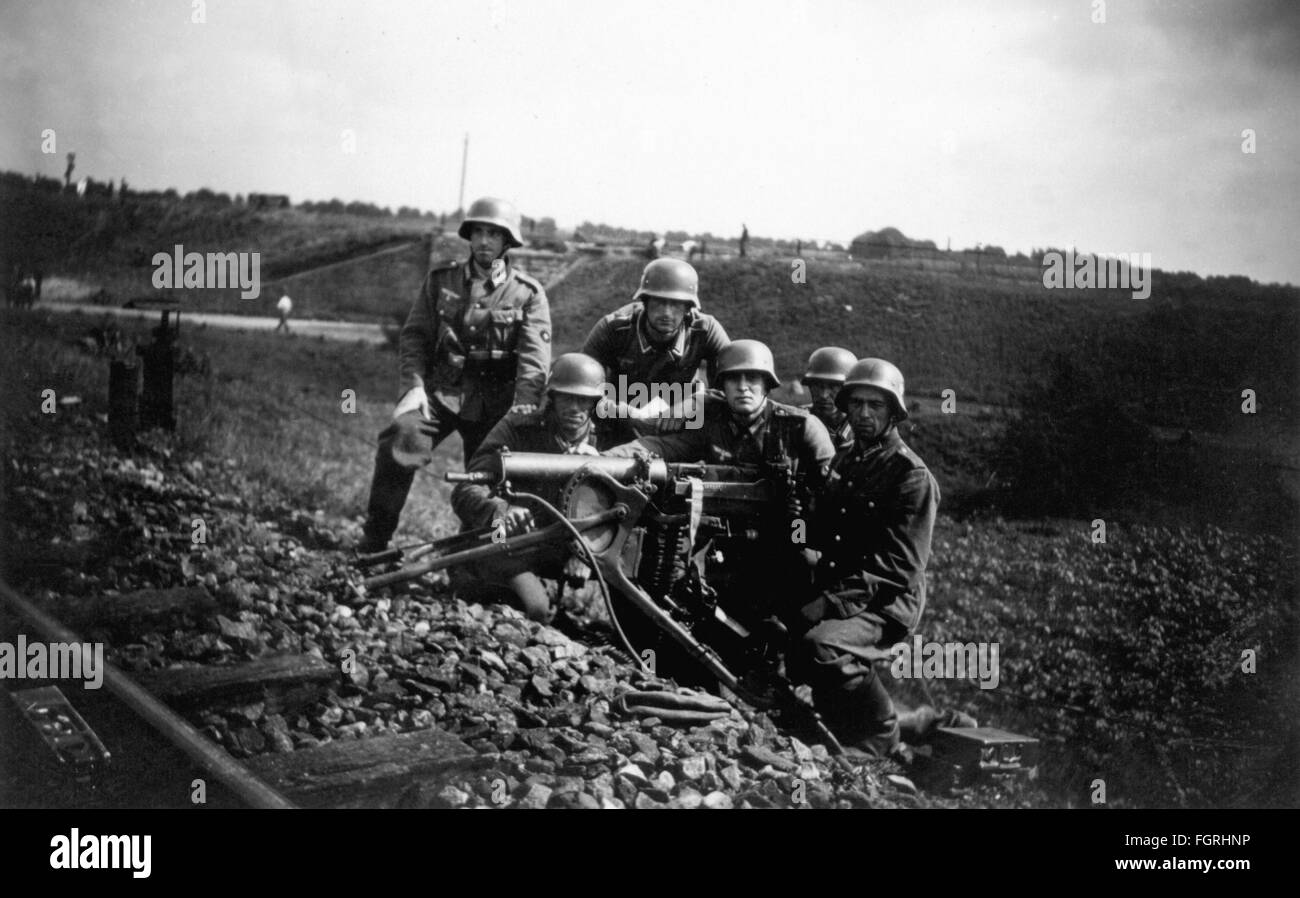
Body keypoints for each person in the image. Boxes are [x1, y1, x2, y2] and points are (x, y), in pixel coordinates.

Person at [358, 196, 552, 553]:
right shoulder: (441, 281)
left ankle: (471, 557)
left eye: (494, 234)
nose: (483, 242)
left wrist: (522, 412)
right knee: (401, 437)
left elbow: (534, 364)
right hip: (442, 391)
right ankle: (376, 540)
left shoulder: (527, 294)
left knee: (493, 478)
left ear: (508, 241)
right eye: (478, 232)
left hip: (496, 404)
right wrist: (413, 387)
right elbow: (415, 336)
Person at [789, 358, 940, 762]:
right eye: (856, 404)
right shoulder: (847, 460)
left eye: (876, 405)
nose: (865, 414)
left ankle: (881, 733)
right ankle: (872, 721)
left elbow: (900, 567)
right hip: (842, 584)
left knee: (825, 646)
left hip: (887, 600)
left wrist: (830, 603)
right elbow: (822, 529)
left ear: (894, 412)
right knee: (774, 625)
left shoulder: (911, 476)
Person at [605, 340, 834, 607]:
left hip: (791, 527)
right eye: (734, 379)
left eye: (753, 379)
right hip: (728, 536)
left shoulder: (800, 427)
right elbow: (663, 446)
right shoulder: (713, 421)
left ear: (767, 384)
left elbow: (833, 488)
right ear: (722, 386)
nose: (743, 387)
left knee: (802, 558)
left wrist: (804, 516)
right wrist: (605, 458)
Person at [450, 353, 634, 621]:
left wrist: (586, 549)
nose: (575, 407)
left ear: (596, 403)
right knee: (536, 610)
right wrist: (500, 510)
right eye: (567, 398)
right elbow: (466, 489)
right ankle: (475, 578)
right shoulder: (517, 428)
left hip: (563, 545)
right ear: (552, 396)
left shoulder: (609, 439)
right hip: (505, 542)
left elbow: (627, 507)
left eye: (584, 399)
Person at [581, 257, 729, 430]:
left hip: (680, 421)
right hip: (619, 421)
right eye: (658, 303)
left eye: (675, 305)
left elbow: (734, 386)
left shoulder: (705, 330)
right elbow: (582, 386)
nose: (666, 313)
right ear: (645, 301)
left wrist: (697, 402)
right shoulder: (614, 328)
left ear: (689, 308)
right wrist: (620, 411)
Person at [802, 347, 857, 451]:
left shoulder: (863, 427)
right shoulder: (796, 423)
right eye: (817, 386)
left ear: (849, 390)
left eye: (833, 387)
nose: (823, 395)